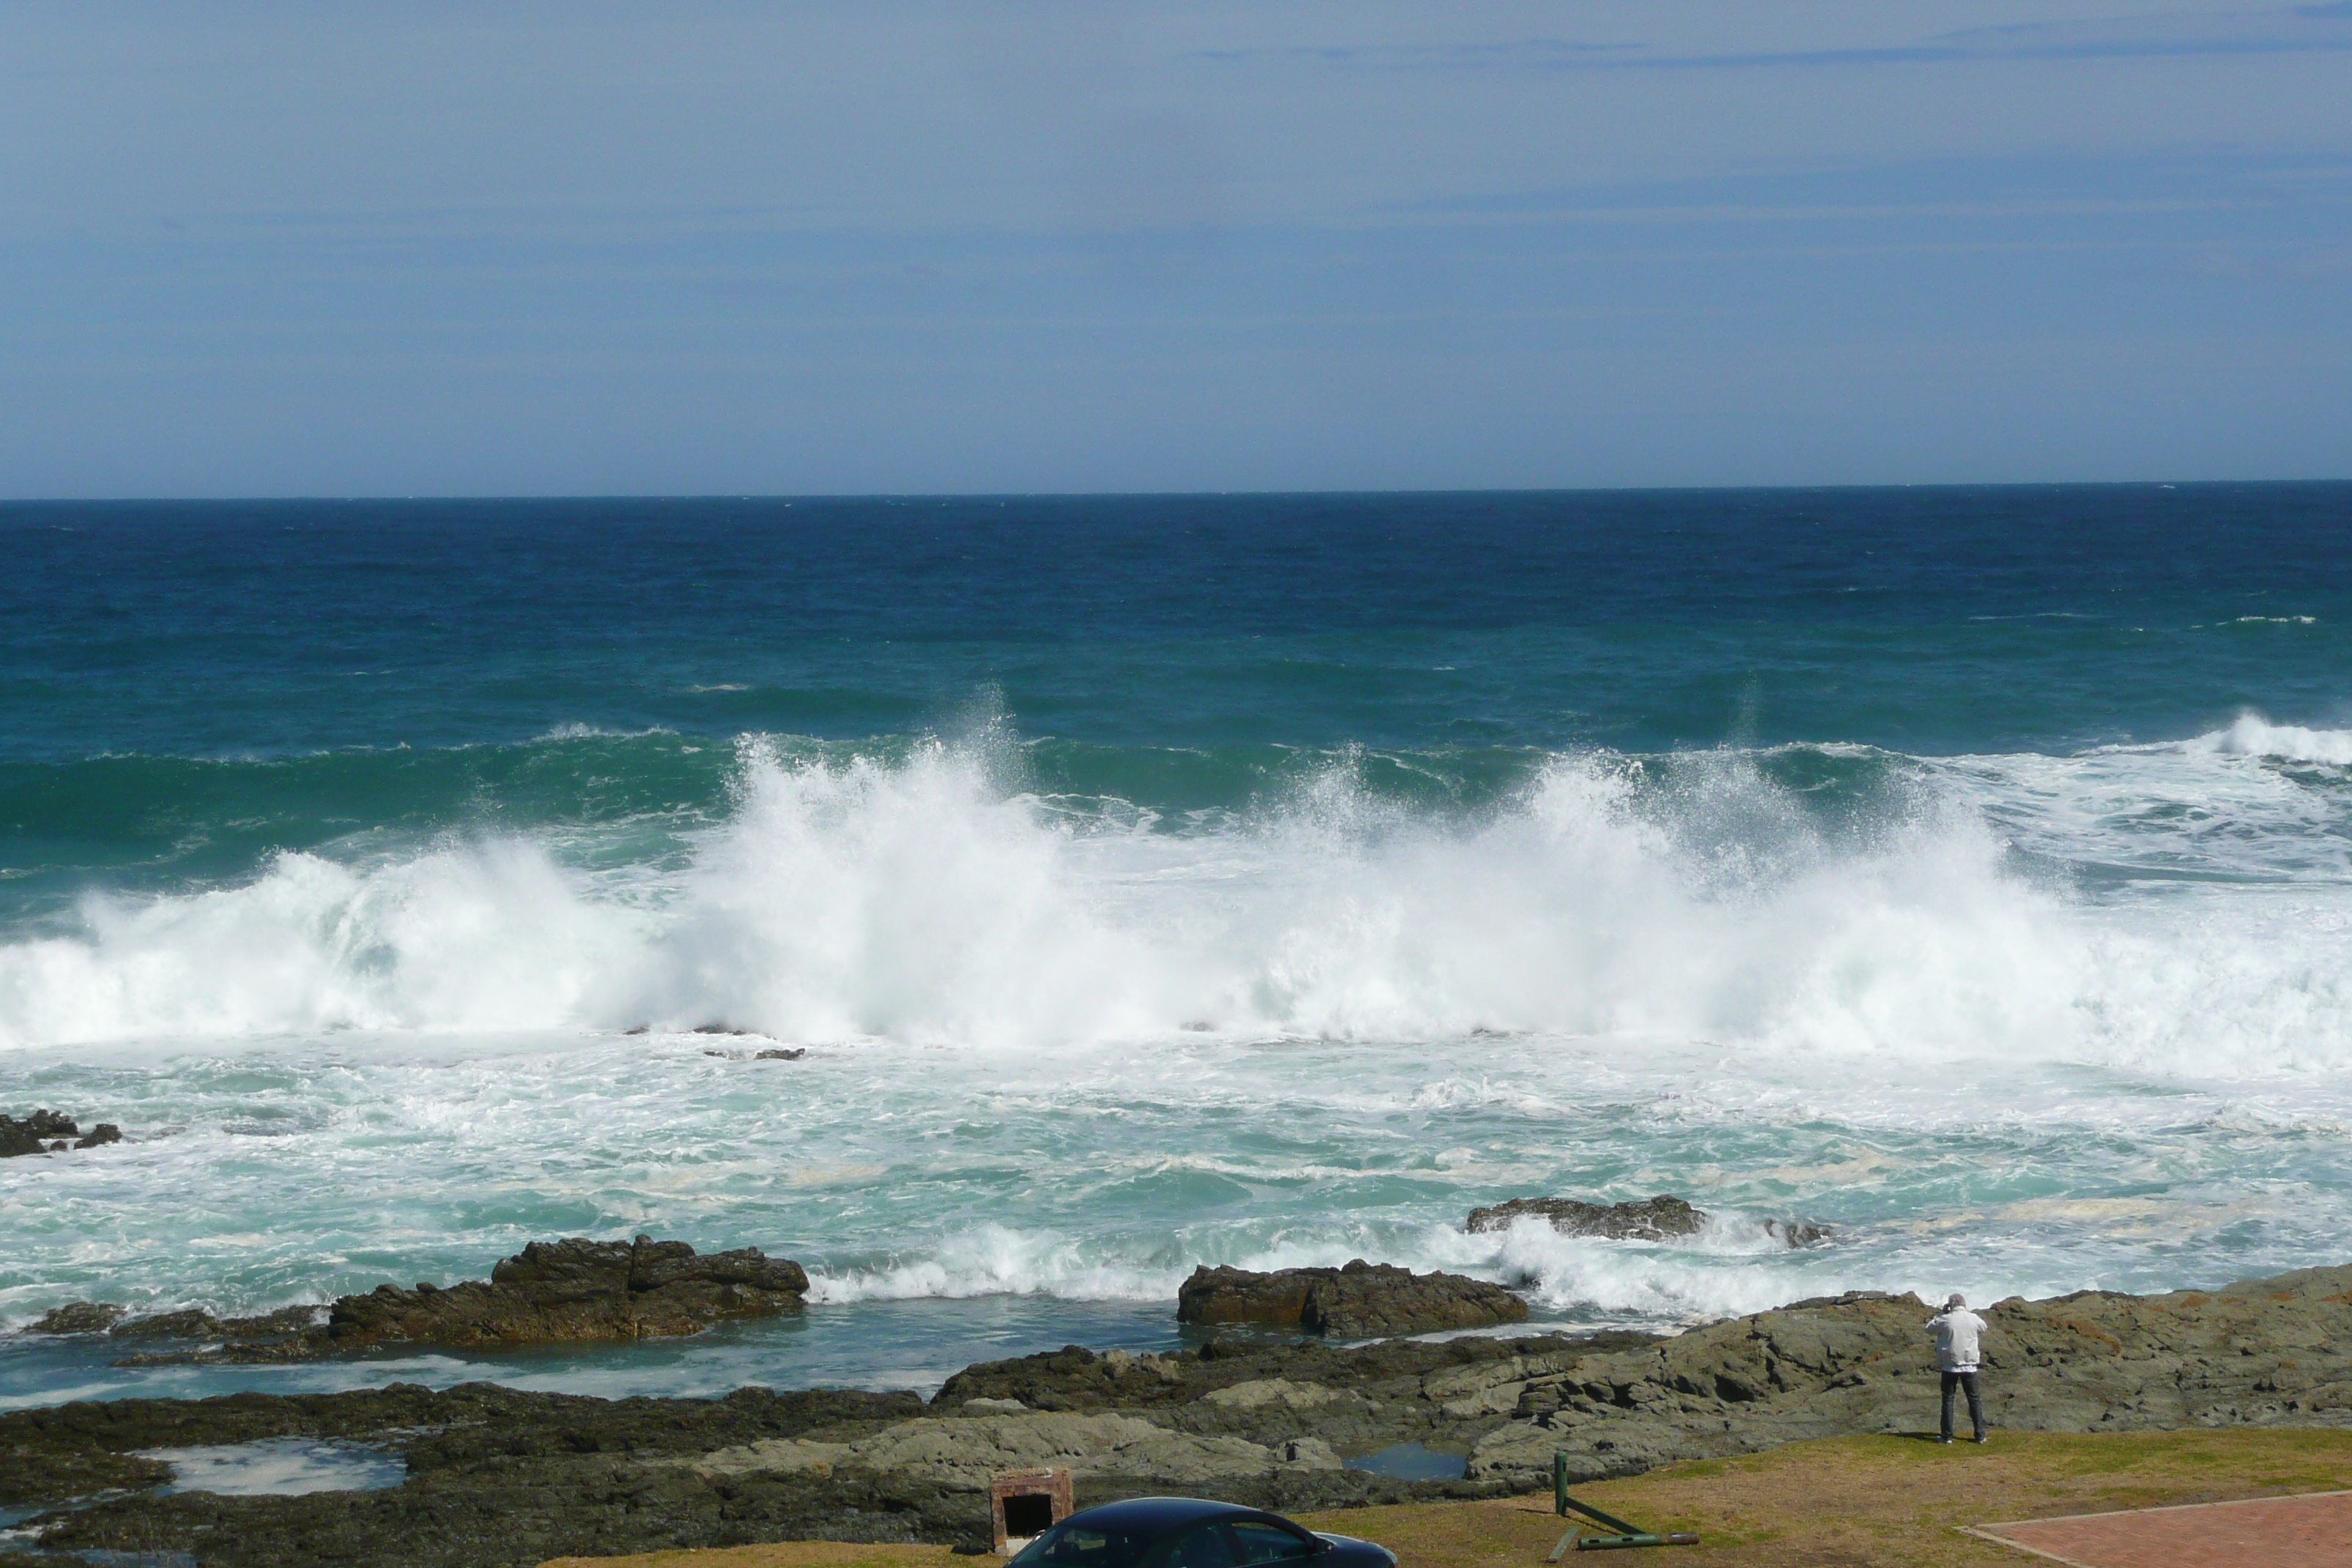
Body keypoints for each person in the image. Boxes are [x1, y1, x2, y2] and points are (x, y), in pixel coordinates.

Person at [1928, 1292, 1989, 1444]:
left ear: (1951, 1305)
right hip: (1970, 1366)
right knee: (1974, 1400)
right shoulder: (1972, 1318)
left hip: (1950, 1366)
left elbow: (1929, 1328)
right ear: (1964, 1304)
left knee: (1948, 1400)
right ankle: (1980, 1435)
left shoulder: (1945, 1319)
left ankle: (1947, 1436)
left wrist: (1942, 1312)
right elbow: (1984, 1327)